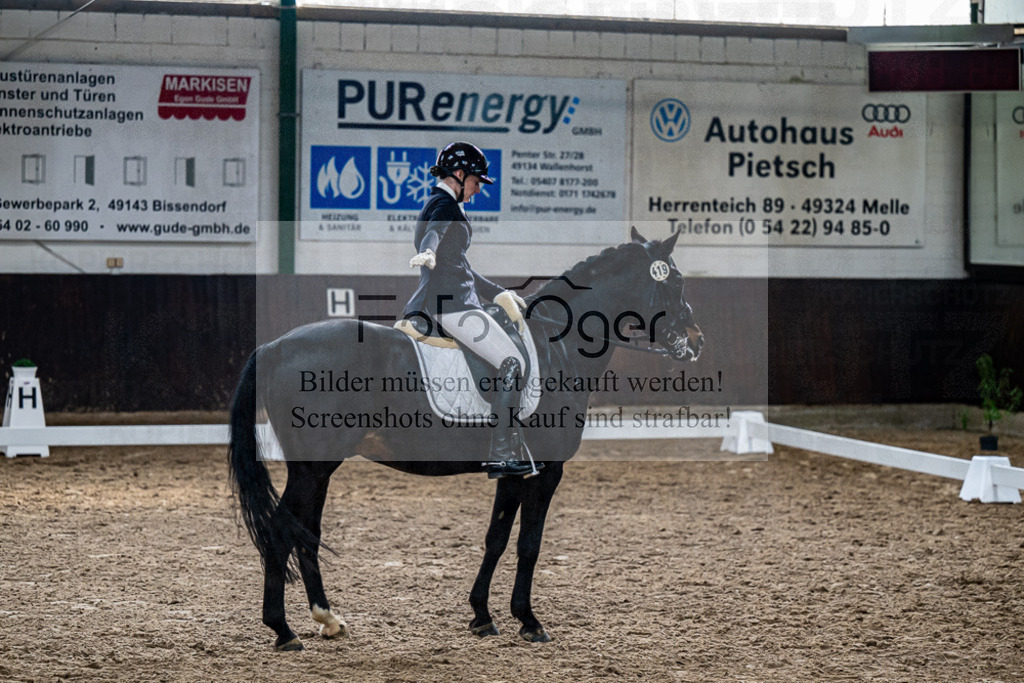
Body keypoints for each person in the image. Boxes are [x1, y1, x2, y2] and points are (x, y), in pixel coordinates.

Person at [404, 141, 537, 478]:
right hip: (454, 308)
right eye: (476, 182)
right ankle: (501, 453)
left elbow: (461, 267)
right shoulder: (444, 205)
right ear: (459, 175)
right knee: (512, 362)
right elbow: (433, 234)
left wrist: (499, 294)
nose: (477, 190)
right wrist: (429, 252)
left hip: (460, 301)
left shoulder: (447, 204)